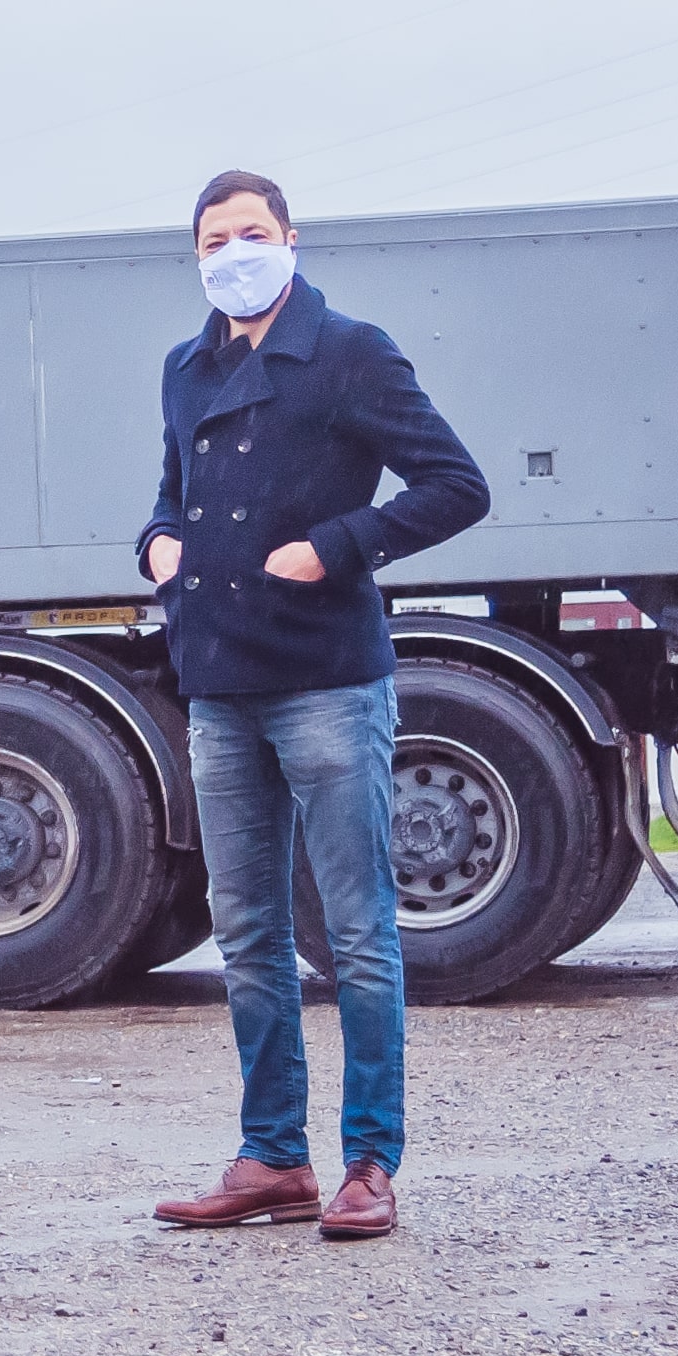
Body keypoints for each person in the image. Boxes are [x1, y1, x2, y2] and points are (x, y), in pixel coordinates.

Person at [140, 169, 487, 1243]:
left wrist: (334, 548)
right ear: (195, 254)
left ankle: (368, 1165)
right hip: (219, 684)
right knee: (245, 935)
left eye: (251, 232)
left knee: (355, 934)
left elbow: (454, 485)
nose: (233, 251)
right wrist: (153, 540)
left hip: (327, 680)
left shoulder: (351, 351)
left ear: (289, 238)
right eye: (214, 238)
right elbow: (172, 490)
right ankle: (272, 1158)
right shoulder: (185, 367)